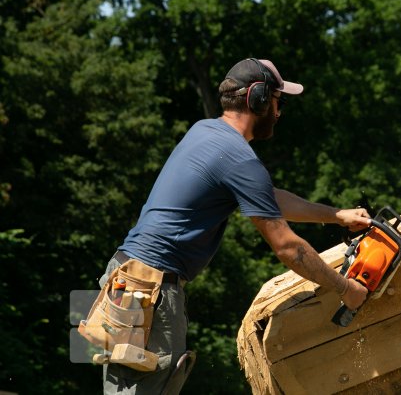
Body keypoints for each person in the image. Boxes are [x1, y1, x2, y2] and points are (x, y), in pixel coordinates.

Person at [98, 58, 370, 394]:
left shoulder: (203, 131)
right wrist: (347, 289)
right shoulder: (239, 158)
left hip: (121, 276)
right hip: (153, 290)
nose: (280, 112)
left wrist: (336, 214)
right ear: (257, 99)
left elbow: (267, 196)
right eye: (278, 101)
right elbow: (287, 247)